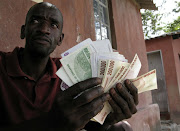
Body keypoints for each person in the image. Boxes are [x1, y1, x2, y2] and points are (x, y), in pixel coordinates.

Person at [0, 2, 138, 131]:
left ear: (60, 39)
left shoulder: (67, 69)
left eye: (54, 25)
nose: (44, 29)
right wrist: (51, 123)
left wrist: (106, 121)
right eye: (35, 21)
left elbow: (82, 124)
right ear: (23, 31)